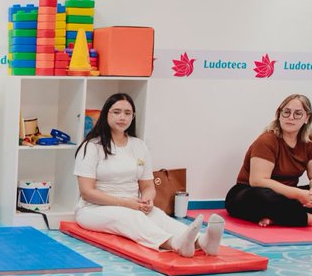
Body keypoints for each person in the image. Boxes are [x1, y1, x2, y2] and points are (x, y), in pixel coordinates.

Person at [73, 93, 225, 257]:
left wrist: (147, 199)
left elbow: (147, 186)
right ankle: (175, 243)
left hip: (134, 204)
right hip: (94, 209)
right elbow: (87, 192)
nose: (122, 117)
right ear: (106, 114)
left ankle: (202, 241)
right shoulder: (91, 147)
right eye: (116, 112)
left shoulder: (139, 146)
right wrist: (125, 204)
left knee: (159, 216)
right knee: (131, 218)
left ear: (133, 116)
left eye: (127, 113)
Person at [225, 94, 312, 227]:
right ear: (279, 115)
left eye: (298, 114)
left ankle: (279, 216)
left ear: (307, 118)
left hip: (287, 195)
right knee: (264, 196)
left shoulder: (310, 141)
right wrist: (298, 194)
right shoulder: (267, 140)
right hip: (250, 194)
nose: (291, 117)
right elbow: (258, 181)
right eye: (286, 112)